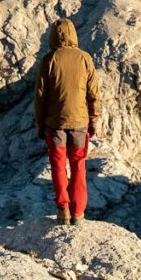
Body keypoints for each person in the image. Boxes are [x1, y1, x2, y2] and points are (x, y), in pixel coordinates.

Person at [34, 19, 101, 226]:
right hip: (80, 123)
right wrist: (94, 120)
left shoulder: (49, 59)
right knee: (78, 164)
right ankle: (78, 212)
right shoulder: (85, 58)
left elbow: (40, 96)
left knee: (58, 165)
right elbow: (94, 94)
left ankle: (63, 209)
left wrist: (40, 123)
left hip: (55, 124)